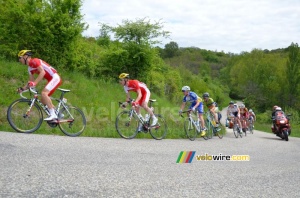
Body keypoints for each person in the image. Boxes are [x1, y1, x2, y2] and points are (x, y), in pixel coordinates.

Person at [17, 50, 62, 121]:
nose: (19, 60)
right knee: (44, 101)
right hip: (51, 80)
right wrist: (22, 89)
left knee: (44, 93)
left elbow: (42, 72)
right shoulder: (29, 68)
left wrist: (34, 83)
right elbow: (31, 82)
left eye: (20, 58)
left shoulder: (34, 61)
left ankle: (53, 115)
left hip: (55, 78)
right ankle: (58, 114)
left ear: (25, 57)